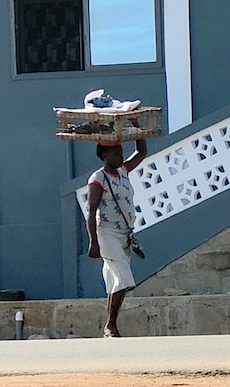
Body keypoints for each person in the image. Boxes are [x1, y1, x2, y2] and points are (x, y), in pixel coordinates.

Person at [86, 136, 147, 337]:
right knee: (124, 276)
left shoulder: (123, 172)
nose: (120, 155)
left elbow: (141, 152)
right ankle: (110, 325)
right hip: (107, 234)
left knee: (115, 281)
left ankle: (110, 325)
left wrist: (137, 127)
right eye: (115, 152)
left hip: (125, 235)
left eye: (120, 151)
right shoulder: (98, 179)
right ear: (104, 155)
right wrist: (94, 241)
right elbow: (91, 210)